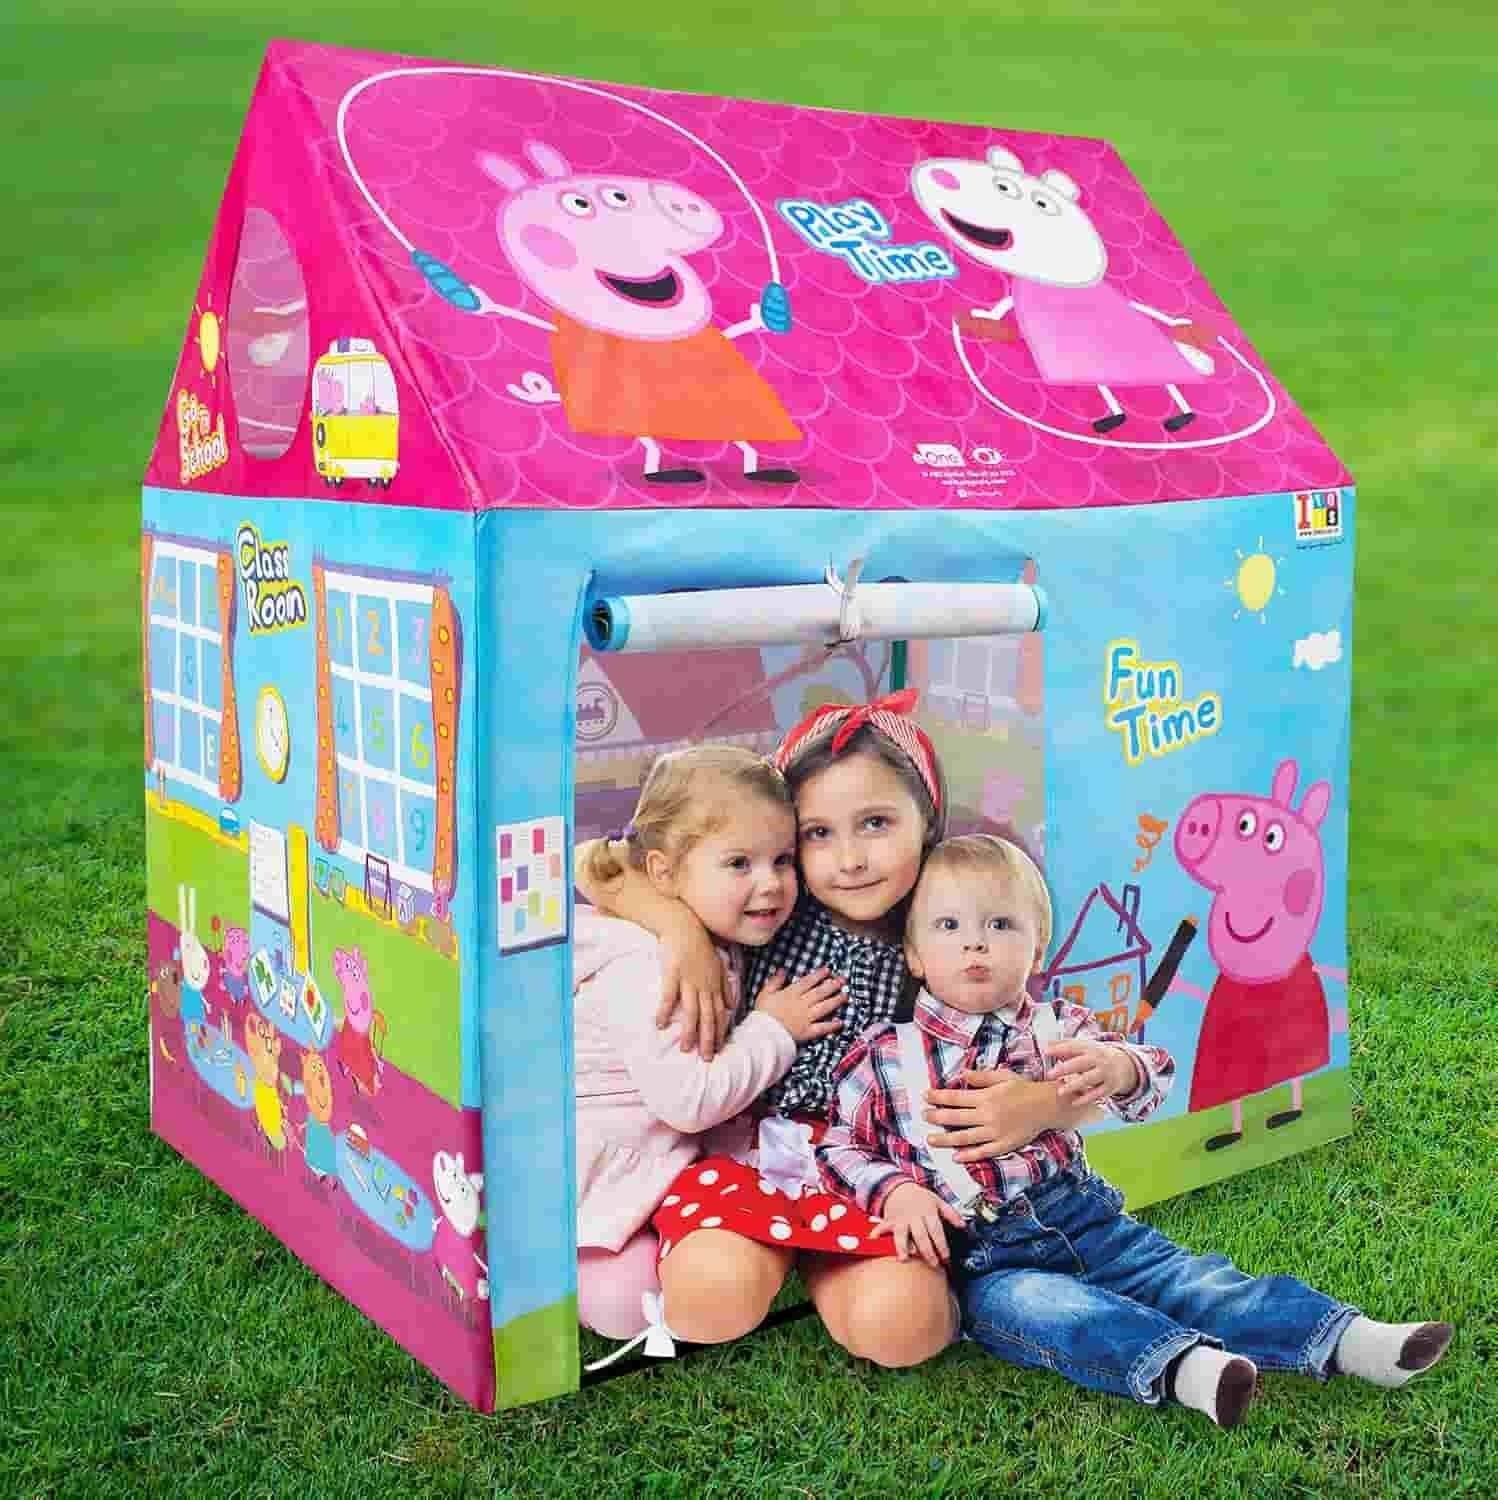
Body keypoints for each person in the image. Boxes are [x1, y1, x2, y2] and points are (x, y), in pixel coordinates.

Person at [816, 834, 1454, 1427]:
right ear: (915, 955)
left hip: (1083, 1217)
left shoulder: (1059, 1028)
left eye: (1000, 925)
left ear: (1038, 948)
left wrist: (1120, 1068)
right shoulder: (885, 1056)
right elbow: (839, 1145)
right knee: (1048, 1313)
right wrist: (894, 1192)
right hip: (984, 1258)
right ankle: (1188, 1370)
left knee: (1190, 1280)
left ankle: (1350, 1339)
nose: (975, 944)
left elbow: (1155, 1074)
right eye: (949, 927)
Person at [575, 690, 1096, 1364]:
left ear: (928, 823)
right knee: (709, 1296)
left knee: (900, 1325)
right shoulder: (767, 906)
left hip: (875, 1166)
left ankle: (853, 1274)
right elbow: (602, 861)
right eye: (817, 834)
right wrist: (678, 928)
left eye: (875, 823)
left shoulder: (947, 931)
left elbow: (1042, 1039)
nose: (847, 859)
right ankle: (759, 1253)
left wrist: (1046, 1103)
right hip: (745, 1155)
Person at [573, 745, 846, 1340]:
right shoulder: (649, 967)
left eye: (782, 859)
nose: (771, 884)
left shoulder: (701, 931)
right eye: (739, 864)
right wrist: (775, 1029)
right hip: (604, 1171)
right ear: (664, 871)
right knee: (628, 1306)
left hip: (655, 1155)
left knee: (651, 1286)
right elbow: (689, 1100)